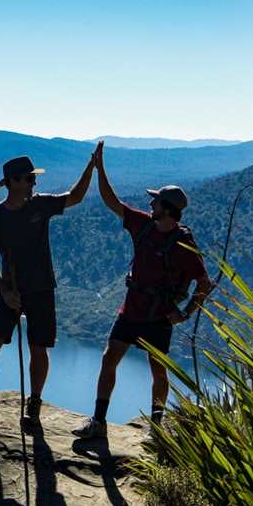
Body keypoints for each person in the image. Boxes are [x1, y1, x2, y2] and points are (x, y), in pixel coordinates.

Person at [73, 142, 213, 438]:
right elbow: (111, 201)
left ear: (167, 209)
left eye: (156, 201)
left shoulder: (185, 246)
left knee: (157, 371)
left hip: (159, 317)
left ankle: (157, 428)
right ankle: (98, 422)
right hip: (131, 311)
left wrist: (185, 314)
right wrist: (100, 169)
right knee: (109, 358)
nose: (151, 204)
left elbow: (204, 284)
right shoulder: (143, 225)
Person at [0, 147, 99, 426]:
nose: (33, 183)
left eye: (33, 178)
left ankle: (34, 400)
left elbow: (75, 197)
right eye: (28, 178)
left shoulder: (41, 205)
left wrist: (91, 167)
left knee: (39, 347)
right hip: (11, 289)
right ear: (12, 181)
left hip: (41, 288)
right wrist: (4, 290)